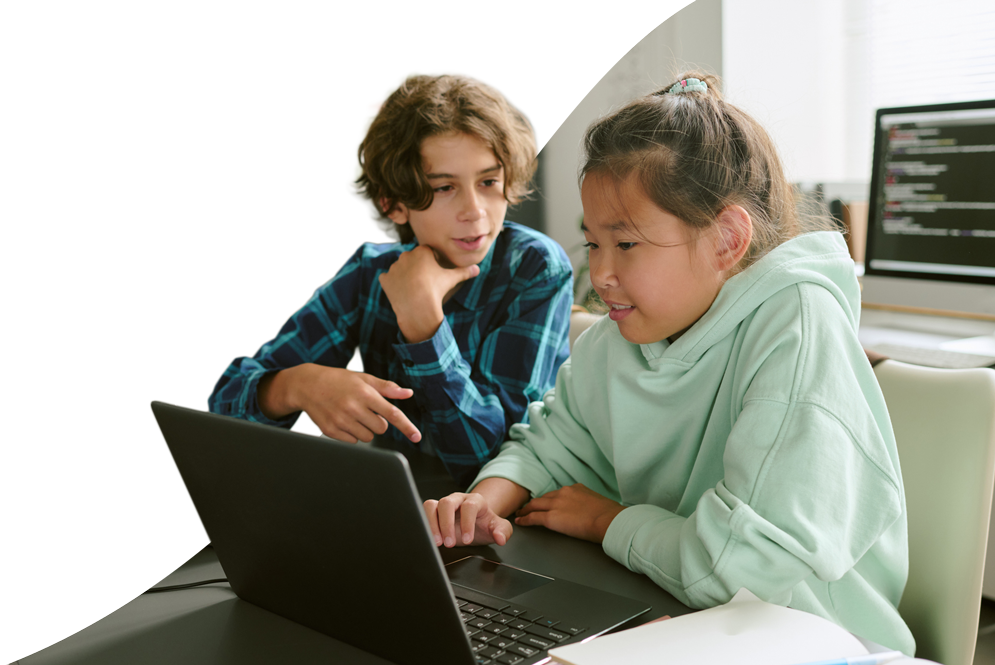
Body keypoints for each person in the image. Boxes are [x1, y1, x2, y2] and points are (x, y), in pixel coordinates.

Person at [423, 73, 914, 654]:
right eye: (593, 244)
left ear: (727, 239)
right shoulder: (622, 334)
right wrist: (487, 500)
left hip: (808, 633)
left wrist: (609, 522)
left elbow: (741, 567)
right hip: (684, 610)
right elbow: (552, 441)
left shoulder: (796, 327)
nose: (602, 273)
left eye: (626, 244)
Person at [209, 70, 574, 488]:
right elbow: (223, 406)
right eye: (444, 188)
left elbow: (493, 462)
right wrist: (297, 383)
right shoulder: (370, 274)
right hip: (395, 504)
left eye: (489, 181)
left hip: (498, 521)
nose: (476, 211)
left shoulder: (534, 267)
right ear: (394, 204)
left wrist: (424, 326)